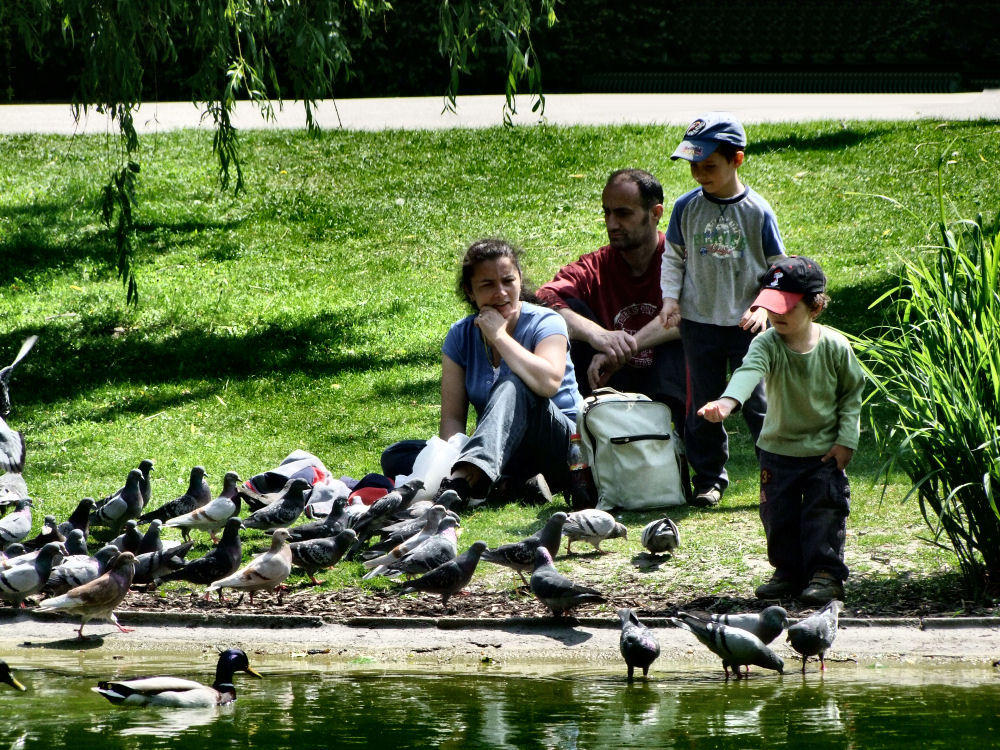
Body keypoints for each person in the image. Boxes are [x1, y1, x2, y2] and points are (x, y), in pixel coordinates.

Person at [697, 256, 864, 605]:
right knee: (778, 517)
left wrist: (846, 441)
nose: (775, 315)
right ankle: (787, 572)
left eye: (786, 307)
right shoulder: (766, 343)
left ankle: (825, 575)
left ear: (814, 307)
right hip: (778, 452)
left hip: (823, 453)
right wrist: (727, 403)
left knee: (825, 512)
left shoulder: (835, 347)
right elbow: (747, 373)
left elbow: (851, 396)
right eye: (771, 306)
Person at [383, 238, 582, 509]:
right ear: (470, 291)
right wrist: (447, 454)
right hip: (504, 447)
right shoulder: (460, 336)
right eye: (488, 285)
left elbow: (548, 383)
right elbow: (452, 422)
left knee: (514, 384)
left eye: (508, 281)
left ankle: (462, 484)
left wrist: (499, 336)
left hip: (563, 446)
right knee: (397, 456)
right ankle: (512, 483)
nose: (501, 293)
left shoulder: (547, 322)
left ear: (520, 281)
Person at [659, 112, 787, 508]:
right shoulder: (685, 208)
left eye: (709, 166)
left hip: (746, 325)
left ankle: (777, 476)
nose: (699, 174)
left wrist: (765, 309)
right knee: (702, 403)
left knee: (757, 405)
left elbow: (778, 269)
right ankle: (709, 478)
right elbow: (673, 259)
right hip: (699, 324)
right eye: (694, 166)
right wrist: (671, 299)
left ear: (737, 160)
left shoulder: (758, 211)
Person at [535, 169, 686, 426]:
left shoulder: (680, 261)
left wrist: (627, 348)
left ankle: (676, 439)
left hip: (668, 385)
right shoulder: (595, 266)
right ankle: (582, 429)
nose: (612, 224)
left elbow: (695, 310)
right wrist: (598, 335)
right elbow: (544, 298)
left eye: (623, 214)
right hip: (608, 384)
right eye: (607, 212)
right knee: (566, 311)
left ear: (655, 213)